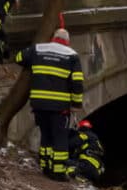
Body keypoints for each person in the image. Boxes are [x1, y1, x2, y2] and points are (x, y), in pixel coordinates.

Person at [15, 28, 85, 181]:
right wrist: (76, 104)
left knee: (46, 134)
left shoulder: (38, 49)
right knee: (60, 138)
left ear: (53, 37)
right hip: (60, 107)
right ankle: (58, 172)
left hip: (39, 104)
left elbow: (19, 57)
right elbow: (77, 82)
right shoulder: (72, 55)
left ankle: (46, 166)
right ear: (67, 41)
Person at [69, 119, 106, 183]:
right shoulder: (94, 138)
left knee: (67, 167)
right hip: (97, 170)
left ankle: (79, 177)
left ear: (81, 128)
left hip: (87, 165)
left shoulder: (85, 135)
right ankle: (83, 177)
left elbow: (71, 143)